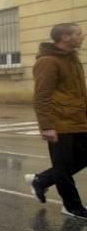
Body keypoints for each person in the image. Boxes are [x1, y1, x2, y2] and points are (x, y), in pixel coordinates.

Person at [25, 23, 87, 219]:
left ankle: (41, 181)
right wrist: (47, 126)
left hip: (78, 119)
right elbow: (42, 96)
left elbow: (79, 93)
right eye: (78, 33)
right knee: (62, 167)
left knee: (78, 159)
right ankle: (71, 206)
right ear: (65, 38)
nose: (82, 36)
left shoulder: (73, 59)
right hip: (60, 122)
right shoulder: (48, 62)